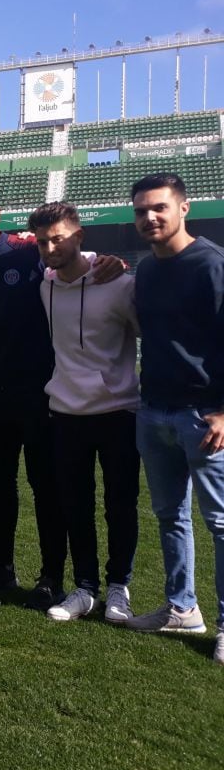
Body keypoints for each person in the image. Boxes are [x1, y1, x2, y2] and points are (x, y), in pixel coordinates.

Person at [0, 177, 125, 609]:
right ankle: (0, 567)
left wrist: (107, 262)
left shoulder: (31, 251)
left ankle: (51, 575)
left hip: (41, 388)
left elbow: (71, 256)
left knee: (46, 485)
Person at [25, 201, 140, 623]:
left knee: (120, 504)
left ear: (80, 237)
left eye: (58, 238)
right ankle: (85, 587)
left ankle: (118, 588)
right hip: (66, 414)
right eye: (42, 241)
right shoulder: (45, 285)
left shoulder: (119, 282)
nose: (50, 247)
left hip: (118, 411)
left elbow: (148, 331)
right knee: (76, 505)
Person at [125, 173, 224, 665]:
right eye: (141, 210)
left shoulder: (210, 263)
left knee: (221, 522)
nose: (149, 218)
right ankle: (182, 607)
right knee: (171, 517)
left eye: (159, 208)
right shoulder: (146, 269)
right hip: (154, 409)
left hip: (203, 415)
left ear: (184, 208)